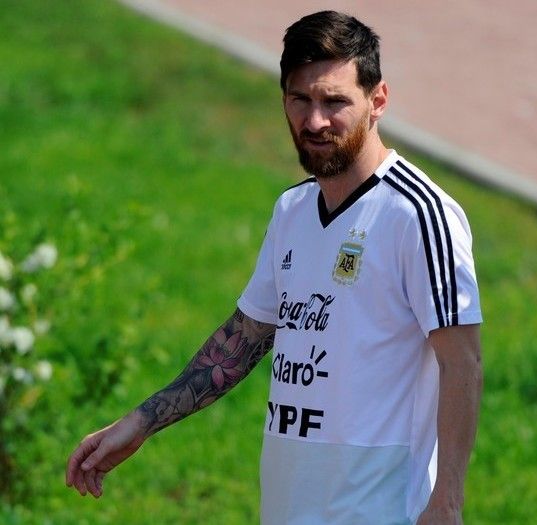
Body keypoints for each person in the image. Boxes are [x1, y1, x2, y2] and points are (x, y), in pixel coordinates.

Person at [66, 11, 483, 524]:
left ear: (377, 101)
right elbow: (244, 339)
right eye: (299, 100)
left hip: (379, 509)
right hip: (289, 504)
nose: (315, 121)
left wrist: (447, 501)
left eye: (335, 102)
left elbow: (462, 362)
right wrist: (140, 423)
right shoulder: (292, 210)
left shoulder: (418, 214)